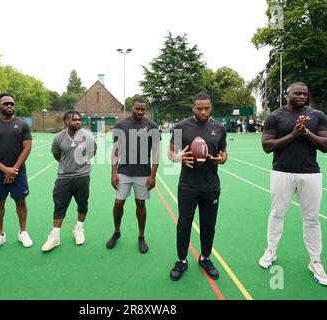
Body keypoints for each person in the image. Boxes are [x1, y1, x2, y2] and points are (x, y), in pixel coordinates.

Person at [259, 82, 327, 286]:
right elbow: (266, 146)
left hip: (310, 175)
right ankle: (271, 250)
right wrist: (293, 134)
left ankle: (315, 261)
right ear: (287, 94)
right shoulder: (275, 116)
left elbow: (326, 145)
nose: (302, 96)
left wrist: (306, 132)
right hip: (282, 172)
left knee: (312, 219)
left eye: (305, 94)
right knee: (277, 214)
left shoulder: (317, 116)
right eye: (297, 93)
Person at [168, 92, 227, 281]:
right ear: (193, 108)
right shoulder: (181, 127)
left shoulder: (219, 129)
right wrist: (177, 158)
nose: (203, 112)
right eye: (199, 108)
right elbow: (171, 153)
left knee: (209, 225)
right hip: (188, 186)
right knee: (184, 224)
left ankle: (205, 258)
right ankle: (181, 260)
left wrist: (220, 159)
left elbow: (224, 154)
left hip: (211, 186)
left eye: (207, 108)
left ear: (211, 108)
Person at [106, 98, 160, 253]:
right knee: (118, 203)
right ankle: (117, 232)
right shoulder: (121, 125)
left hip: (143, 173)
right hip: (124, 171)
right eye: (137, 109)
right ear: (132, 108)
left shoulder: (152, 126)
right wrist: (113, 172)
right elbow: (116, 150)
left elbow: (156, 152)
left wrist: (153, 175)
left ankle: (141, 237)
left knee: (140, 204)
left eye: (143, 109)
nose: (140, 112)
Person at [0, 93, 33, 253]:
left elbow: (27, 147)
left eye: (12, 103)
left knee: (20, 201)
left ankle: (23, 232)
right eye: (5, 103)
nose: (9, 106)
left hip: (19, 172)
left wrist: (14, 170)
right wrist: (5, 170)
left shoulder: (22, 125)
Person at [41, 110, 96, 251]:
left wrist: (82, 164)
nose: (78, 122)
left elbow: (92, 152)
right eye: (74, 120)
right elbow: (57, 155)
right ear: (66, 121)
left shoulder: (87, 136)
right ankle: (55, 236)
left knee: (82, 204)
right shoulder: (59, 138)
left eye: (79, 119)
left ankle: (79, 229)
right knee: (59, 206)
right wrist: (68, 165)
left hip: (82, 176)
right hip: (64, 177)